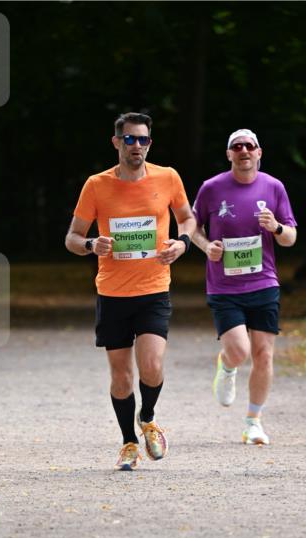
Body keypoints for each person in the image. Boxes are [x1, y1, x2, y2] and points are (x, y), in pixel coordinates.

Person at [65, 112, 196, 469]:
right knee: (121, 377)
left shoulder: (167, 177)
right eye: (130, 139)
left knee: (151, 366)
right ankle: (127, 443)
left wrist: (182, 244)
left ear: (149, 143)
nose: (136, 146)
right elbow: (72, 238)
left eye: (143, 140)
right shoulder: (96, 185)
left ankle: (148, 417)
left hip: (154, 288)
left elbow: (187, 217)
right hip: (112, 293)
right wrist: (92, 245)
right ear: (116, 142)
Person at [191, 128, 297, 444]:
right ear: (229, 154)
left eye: (249, 146)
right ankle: (227, 365)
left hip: (264, 282)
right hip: (224, 286)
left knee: (263, 354)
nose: (244, 151)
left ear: (259, 152)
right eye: (237, 147)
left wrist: (276, 227)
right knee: (240, 350)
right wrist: (207, 246)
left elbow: (290, 236)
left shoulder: (274, 187)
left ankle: (253, 421)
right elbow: (193, 227)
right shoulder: (211, 188)